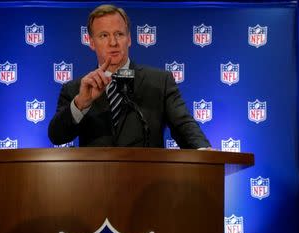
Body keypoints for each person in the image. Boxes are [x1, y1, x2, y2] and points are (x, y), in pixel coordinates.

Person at [48, 4, 211, 149]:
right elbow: (57, 136)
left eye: (119, 34)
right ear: (91, 42)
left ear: (129, 39)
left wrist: (203, 151)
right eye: (104, 35)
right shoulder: (75, 89)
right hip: (95, 180)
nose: (113, 42)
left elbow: (183, 125)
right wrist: (81, 104)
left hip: (147, 180)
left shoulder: (160, 82)